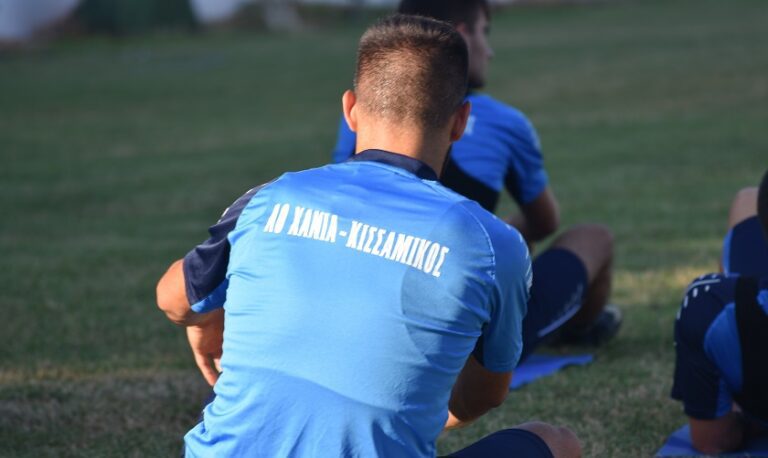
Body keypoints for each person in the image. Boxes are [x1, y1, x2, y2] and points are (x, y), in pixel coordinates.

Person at [157, 15, 580, 458]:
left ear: (350, 110)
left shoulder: (269, 198)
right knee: (557, 442)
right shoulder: (496, 244)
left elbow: (173, 299)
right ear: (460, 122)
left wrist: (206, 322)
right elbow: (483, 395)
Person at [331, 0, 619, 361]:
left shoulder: (357, 122)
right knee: (591, 238)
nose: (490, 50)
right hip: (461, 334)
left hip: (361, 313)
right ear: (459, 122)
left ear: (351, 109)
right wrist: (504, 232)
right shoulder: (503, 122)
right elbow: (545, 222)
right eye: (485, 32)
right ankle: (575, 330)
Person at [671, 169, 768, 454]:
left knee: (747, 199)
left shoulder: (710, 307)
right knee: (747, 199)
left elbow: (712, 440)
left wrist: (747, 419)